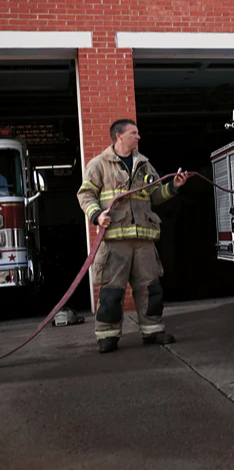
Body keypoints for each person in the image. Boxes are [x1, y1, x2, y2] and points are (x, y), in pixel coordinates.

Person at [77, 119, 189, 354]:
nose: (138, 137)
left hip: (144, 241)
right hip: (115, 241)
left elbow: (155, 196)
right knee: (112, 291)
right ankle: (107, 336)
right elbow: (85, 194)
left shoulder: (144, 165)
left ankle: (153, 331)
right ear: (119, 137)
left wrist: (174, 186)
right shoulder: (99, 164)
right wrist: (97, 215)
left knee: (150, 288)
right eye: (134, 133)